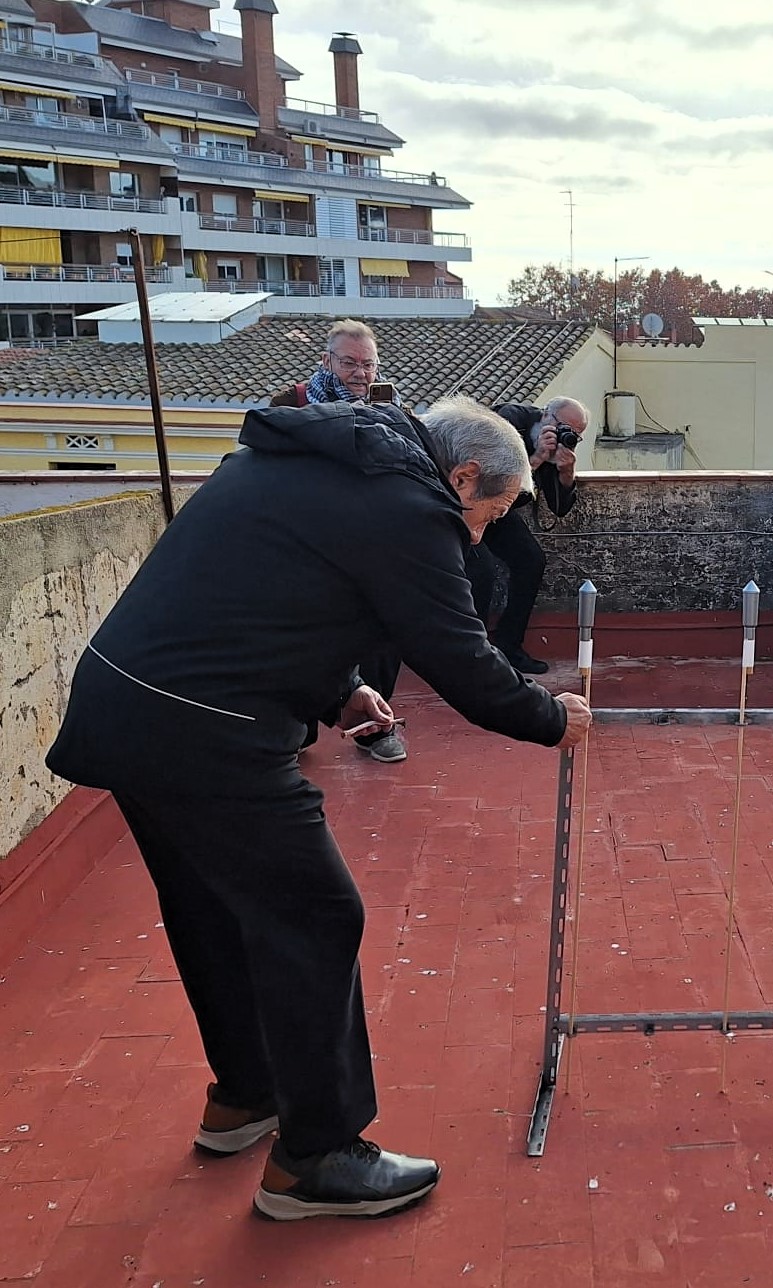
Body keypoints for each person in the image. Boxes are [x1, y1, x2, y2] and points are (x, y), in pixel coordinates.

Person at [46, 395, 592, 1222]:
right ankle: (317, 1158)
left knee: (215, 909)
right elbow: (460, 657)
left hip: (128, 708)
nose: (479, 534)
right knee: (318, 915)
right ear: (463, 475)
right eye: (489, 513)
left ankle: (247, 1098)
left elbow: (265, 595)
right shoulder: (409, 509)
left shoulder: (314, 461)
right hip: (208, 734)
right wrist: (552, 717)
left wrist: (340, 690)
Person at [271, 318, 407, 763]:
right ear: (327, 360)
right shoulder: (292, 402)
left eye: (368, 364)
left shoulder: (389, 405)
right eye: (350, 362)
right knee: (299, 632)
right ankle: (296, 727)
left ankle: (373, 727)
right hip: (304, 538)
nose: (360, 373)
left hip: (367, 535)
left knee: (382, 628)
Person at [471, 397, 587, 675]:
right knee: (481, 570)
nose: (565, 436)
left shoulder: (557, 445)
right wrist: (534, 459)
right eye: (563, 428)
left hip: (502, 511)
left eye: (574, 435)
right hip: (472, 503)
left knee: (531, 560)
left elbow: (559, 508)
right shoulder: (509, 420)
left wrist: (566, 472)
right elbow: (489, 478)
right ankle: (472, 651)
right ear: (546, 415)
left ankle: (509, 645)